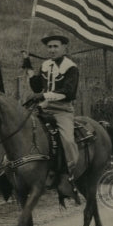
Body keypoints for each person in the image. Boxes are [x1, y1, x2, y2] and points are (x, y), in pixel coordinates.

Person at [22, 33, 86, 186]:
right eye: (49, 47)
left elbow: (69, 93)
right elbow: (37, 86)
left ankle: (72, 173)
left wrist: (44, 95)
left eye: (55, 46)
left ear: (64, 48)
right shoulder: (46, 65)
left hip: (62, 109)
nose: (52, 50)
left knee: (68, 140)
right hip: (43, 107)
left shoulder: (71, 67)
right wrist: (28, 66)